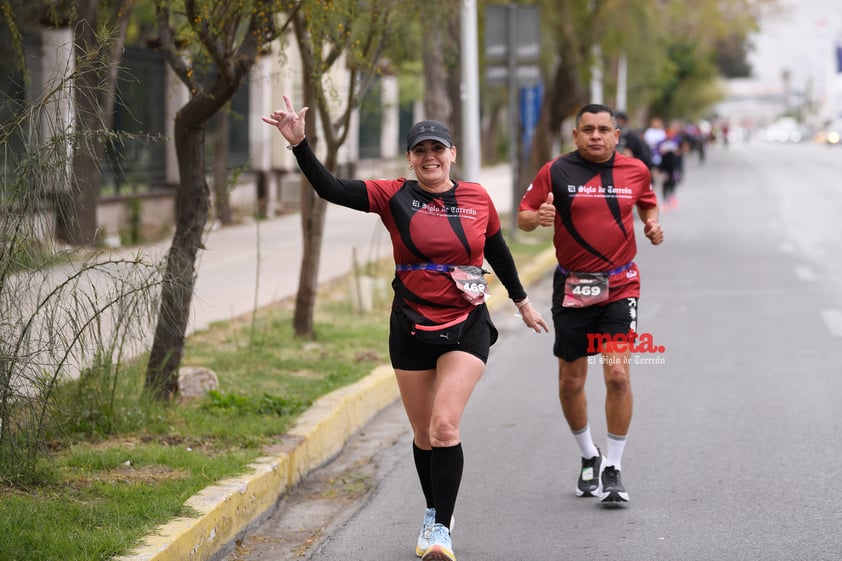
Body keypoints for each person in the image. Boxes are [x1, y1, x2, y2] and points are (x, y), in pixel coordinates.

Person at [263, 96, 548, 560]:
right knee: (422, 435)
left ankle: (439, 530)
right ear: (410, 157)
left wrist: (521, 303)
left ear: (452, 153)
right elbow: (331, 189)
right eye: (420, 151)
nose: (429, 158)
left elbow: (497, 251)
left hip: (467, 324)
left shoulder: (477, 198)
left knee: (444, 424)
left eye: (438, 149)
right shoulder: (392, 194)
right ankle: (438, 508)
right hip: (411, 325)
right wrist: (300, 145)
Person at [516, 103, 664, 506]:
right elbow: (523, 216)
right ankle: (589, 455)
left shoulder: (635, 171)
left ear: (617, 135)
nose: (596, 136)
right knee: (571, 380)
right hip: (574, 287)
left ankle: (613, 467)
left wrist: (650, 222)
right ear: (576, 136)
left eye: (603, 129)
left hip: (621, 285)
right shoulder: (556, 171)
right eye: (588, 129)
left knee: (617, 375)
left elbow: (647, 200)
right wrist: (539, 216)